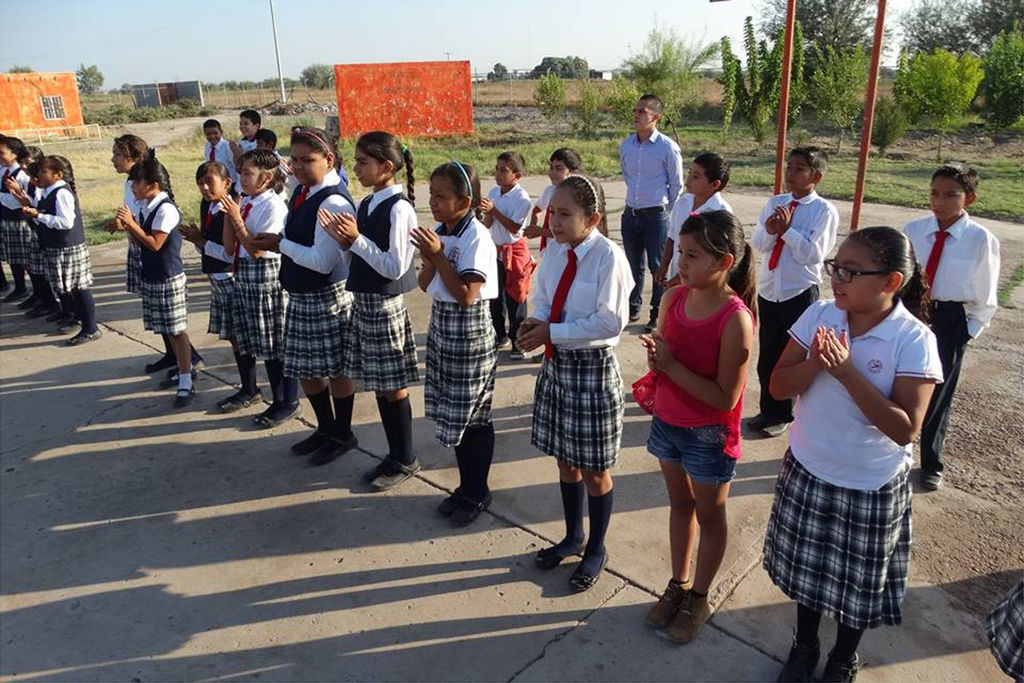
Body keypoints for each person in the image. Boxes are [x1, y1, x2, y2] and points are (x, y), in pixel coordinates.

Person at [764, 227, 942, 682]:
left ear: (890, 282)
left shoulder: (913, 338)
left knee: (857, 586)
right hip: (808, 467)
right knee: (807, 573)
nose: (836, 278)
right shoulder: (821, 315)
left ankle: (843, 657)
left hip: (869, 483)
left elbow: (905, 429)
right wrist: (816, 364)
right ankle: (804, 646)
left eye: (850, 271)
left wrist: (846, 372)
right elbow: (778, 386)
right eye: (834, 267)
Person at [640, 210, 756, 644]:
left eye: (691, 256)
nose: (680, 264)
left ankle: (700, 596)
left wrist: (668, 365)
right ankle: (678, 584)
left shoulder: (736, 319)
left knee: (710, 515)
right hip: (668, 420)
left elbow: (725, 398)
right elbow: (666, 352)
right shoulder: (673, 297)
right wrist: (658, 353)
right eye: (681, 254)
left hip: (708, 433)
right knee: (679, 506)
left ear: (725, 262)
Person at [517, 175, 633, 593]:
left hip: (592, 372)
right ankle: (572, 536)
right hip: (557, 367)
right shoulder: (555, 252)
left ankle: (595, 548)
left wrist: (553, 332)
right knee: (565, 461)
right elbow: (544, 298)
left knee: (594, 470)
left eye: (565, 215)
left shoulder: (608, 258)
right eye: (553, 213)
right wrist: (536, 325)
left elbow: (610, 322)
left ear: (593, 218)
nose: (554, 222)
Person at [250, 126, 361, 466]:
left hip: (325, 296)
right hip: (301, 296)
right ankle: (326, 428)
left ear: (328, 160)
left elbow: (321, 260)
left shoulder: (333, 200)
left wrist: (278, 244)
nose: (297, 167)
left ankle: (342, 432)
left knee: (335, 370)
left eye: (306, 160)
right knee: (307, 370)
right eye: (294, 160)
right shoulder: (304, 191)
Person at [320, 131, 420, 489]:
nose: (357, 168)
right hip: (364, 302)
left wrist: (355, 240)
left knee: (393, 386)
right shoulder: (367, 204)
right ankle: (395, 455)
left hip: (385, 305)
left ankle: (405, 456)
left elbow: (394, 267)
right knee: (379, 385)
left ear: (386, 166)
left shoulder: (400, 208)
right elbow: (358, 256)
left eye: (364, 162)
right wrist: (344, 242)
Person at [411, 161, 499, 526]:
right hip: (443, 328)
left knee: (474, 418)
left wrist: (438, 255)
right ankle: (465, 487)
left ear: (465, 201)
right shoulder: (442, 230)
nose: (433, 202)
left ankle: (478, 490)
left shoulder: (475, 236)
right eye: (431, 194)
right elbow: (424, 284)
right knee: (455, 415)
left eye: (442, 196)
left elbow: (466, 295)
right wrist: (431, 257)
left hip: (469, 332)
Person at [903, 162, 1000, 491]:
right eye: (933, 193)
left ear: (969, 199)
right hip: (912, 311)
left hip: (949, 319)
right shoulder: (914, 230)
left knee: (938, 392)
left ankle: (931, 461)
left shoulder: (979, 240)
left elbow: (986, 296)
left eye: (949, 195)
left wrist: (966, 332)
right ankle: (891, 449)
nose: (939, 201)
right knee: (899, 381)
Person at [749, 147, 839, 437]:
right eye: (789, 166)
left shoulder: (823, 211)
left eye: (799, 168)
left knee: (793, 357)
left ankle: (786, 414)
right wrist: (773, 230)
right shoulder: (776, 202)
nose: (790, 173)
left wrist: (787, 231)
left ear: (816, 176)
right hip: (770, 289)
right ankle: (768, 410)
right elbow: (760, 244)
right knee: (768, 356)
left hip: (798, 292)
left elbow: (813, 255)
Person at [109, 135, 203, 374]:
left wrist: (130, 225)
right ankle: (173, 355)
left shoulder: (151, 188)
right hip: (140, 247)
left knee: (171, 319)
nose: (113, 159)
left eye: (118, 155)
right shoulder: (131, 183)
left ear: (134, 158)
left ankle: (186, 358)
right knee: (159, 312)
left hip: (155, 256)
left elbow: (154, 237)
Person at [222, 150, 299, 428]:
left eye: (247, 173)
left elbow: (256, 250)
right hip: (245, 277)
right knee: (261, 343)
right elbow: (231, 247)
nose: (241, 178)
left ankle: (287, 401)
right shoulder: (246, 202)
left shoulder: (273, 206)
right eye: (241, 172)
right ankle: (271, 397)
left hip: (266, 277)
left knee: (277, 344)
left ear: (266, 178)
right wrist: (231, 215)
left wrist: (236, 218)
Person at [179, 162, 262, 413]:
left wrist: (200, 241)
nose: (204, 188)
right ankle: (247, 386)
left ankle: (251, 388)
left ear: (227, 183)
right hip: (217, 278)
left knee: (241, 337)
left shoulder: (230, 208)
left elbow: (230, 254)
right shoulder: (210, 205)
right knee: (234, 338)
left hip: (230, 278)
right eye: (200, 183)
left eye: (209, 182)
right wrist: (199, 240)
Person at [10, 156, 101, 346]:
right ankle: (79, 320)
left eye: (44, 172)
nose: (39, 176)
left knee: (79, 287)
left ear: (58, 174)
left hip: (67, 246)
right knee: (68, 287)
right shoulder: (47, 192)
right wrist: (28, 206)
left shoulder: (61, 193)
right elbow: (42, 218)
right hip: (56, 246)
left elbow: (66, 222)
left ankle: (90, 328)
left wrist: (39, 215)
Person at [619, 94, 684, 333]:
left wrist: (667, 212)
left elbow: (677, 185)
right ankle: (633, 306)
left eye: (642, 112)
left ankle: (658, 310)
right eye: (635, 111)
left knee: (659, 266)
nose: (636, 115)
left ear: (655, 117)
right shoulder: (626, 145)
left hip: (656, 215)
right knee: (633, 263)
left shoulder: (668, 148)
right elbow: (627, 175)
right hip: (631, 214)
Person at [481, 151, 533, 360]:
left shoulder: (522, 198)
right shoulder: (494, 192)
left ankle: (519, 341)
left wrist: (494, 211)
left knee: (516, 297)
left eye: (504, 170)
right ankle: (499, 334)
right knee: (495, 295)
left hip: (514, 252)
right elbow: (488, 223)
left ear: (517, 175)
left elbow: (514, 228)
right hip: (496, 250)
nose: (498, 174)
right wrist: (484, 215)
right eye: (497, 169)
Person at [654, 152, 734, 289]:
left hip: (702, 284)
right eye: (689, 173)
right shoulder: (683, 202)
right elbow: (672, 237)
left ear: (715, 184)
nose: (688, 180)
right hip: (678, 278)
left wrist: (679, 278)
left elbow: (713, 256)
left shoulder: (720, 212)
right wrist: (663, 266)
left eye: (696, 177)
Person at [526, 148, 583, 252]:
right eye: (551, 168)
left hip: (568, 250)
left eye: (559, 168)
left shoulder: (576, 196)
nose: (553, 172)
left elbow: (571, 232)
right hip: (550, 249)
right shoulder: (550, 190)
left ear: (572, 172)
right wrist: (533, 226)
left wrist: (541, 232)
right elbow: (537, 209)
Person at [0, 135, 33, 303]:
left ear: (14, 154)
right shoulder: (3, 170)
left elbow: (18, 201)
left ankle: (33, 291)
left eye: (2, 153)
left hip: (19, 221)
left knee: (25, 259)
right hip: (6, 220)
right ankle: (19, 287)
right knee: (13, 257)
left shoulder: (21, 175)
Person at [202, 119, 240, 190]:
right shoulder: (208, 146)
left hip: (230, 186)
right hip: (216, 184)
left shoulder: (227, 147)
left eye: (215, 133)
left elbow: (238, 168)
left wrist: (238, 190)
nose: (212, 136)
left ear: (221, 132)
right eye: (208, 134)